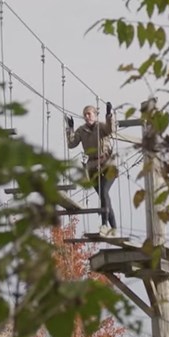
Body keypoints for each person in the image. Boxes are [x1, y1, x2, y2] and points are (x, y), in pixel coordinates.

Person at [65, 102, 118, 237]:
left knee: (104, 191)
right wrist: (70, 128)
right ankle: (114, 228)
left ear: (95, 115)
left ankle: (105, 225)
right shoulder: (81, 130)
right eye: (85, 115)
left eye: (89, 114)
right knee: (103, 195)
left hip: (108, 164)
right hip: (93, 166)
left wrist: (109, 115)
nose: (87, 116)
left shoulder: (101, 127)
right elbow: (72, 144)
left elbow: (111, 129)